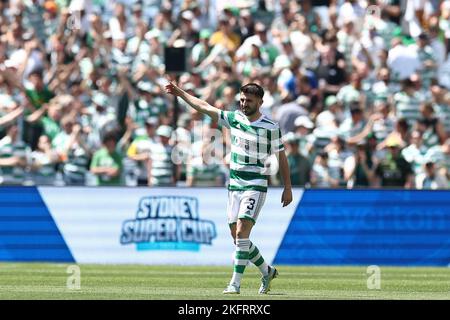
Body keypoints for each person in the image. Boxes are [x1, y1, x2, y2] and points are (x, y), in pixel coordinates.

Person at [165, 80, 293, 295]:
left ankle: (235, 284)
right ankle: (266, 271)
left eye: (249, 100)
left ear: (260, 102)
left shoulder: (270, 127)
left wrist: (287, 187)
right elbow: (204, 106)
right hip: (234, 185)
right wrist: (180, 93)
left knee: (243, 232)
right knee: (238, 238)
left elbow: (282, 156)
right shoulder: (234, 119)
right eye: (242, 99)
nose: (244, 104)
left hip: (255, 184)